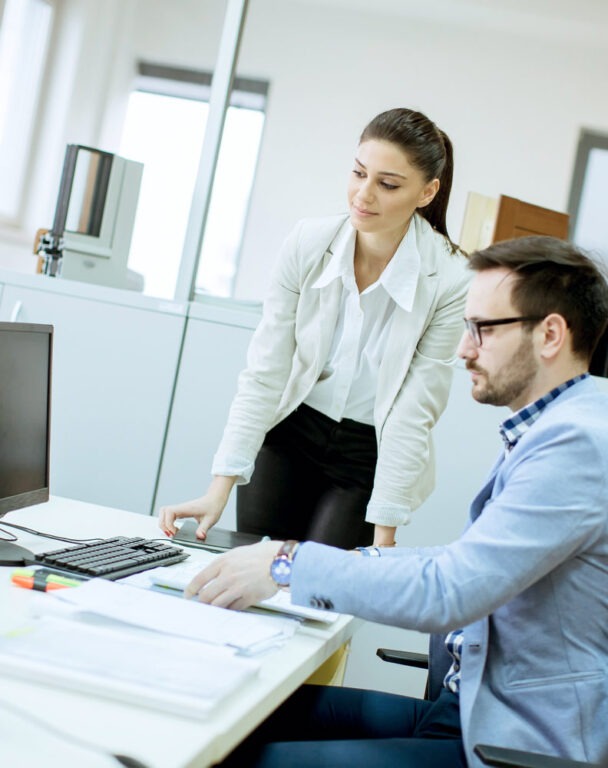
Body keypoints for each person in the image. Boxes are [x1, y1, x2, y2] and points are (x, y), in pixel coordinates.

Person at [183, 235, 608, 768]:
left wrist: (287, 564)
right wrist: (307, 557)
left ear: (550, 334)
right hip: (466, 708)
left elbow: (450, 590)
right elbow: (462, 562)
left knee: (240, 756)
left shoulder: (580, 444)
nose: (464, 348)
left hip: (505, 742)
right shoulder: (557, 425)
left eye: (483, 329)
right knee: (235, 708)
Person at [159, 107, 470, 550]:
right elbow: (266, 371)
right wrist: (219, 488)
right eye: (359, 173)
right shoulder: (308, 242)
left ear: (427, 192)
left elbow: (412, 410)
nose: (364, 194)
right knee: (252, 568)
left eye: (388, 184)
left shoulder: (452, 278)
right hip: (291, 431)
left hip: (368, 454)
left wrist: (384, 539)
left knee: (320, 592)